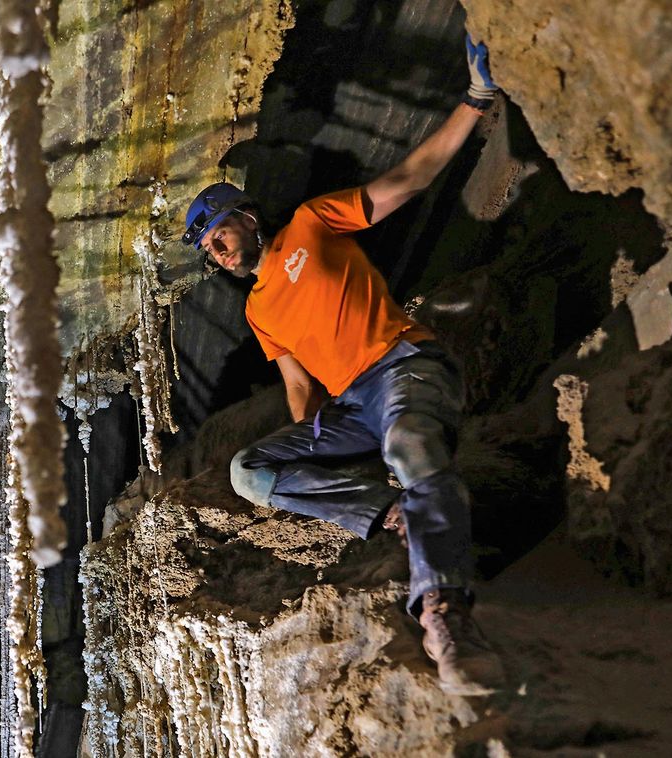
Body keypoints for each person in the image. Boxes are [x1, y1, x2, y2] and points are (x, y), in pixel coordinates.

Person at [182, 35, 504, 696]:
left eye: (217, 232)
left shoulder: (309, 223)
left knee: (411, 441)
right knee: (250, 470)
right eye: (206, 248)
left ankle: (444, 613)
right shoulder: (259, 314)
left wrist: (473, 102)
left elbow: (405, 181)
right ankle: (391, 509)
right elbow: (299, 389)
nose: (215, 250)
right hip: (353, 407)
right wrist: (322, 458)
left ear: (245, 217)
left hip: (403, 366)